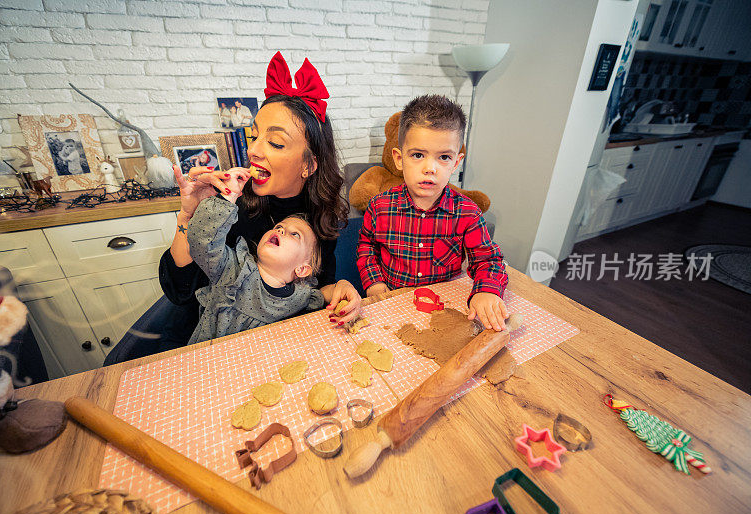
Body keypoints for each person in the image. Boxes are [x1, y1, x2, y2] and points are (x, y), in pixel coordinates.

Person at [159, 51, 361, 348]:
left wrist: (342, 288)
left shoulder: (322, 216)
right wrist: (189, 217)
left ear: (309, 165)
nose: (254, 151)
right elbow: (179, 292)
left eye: (276, 142)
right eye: (255, 136)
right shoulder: (228, 206)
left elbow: (315, 289)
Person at [356, 94, 510, 331]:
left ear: (456, 163)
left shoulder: (467, 213)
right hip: (392, 303)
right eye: (418, 155)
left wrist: (486, 291)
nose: (430, 168)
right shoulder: (380, 206)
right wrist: (374, 284)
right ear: (399, 159)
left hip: (444, 308)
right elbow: (367, 247)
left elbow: (488, 259)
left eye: (444, 157)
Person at [186, 169, 324, 344]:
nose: (281, 230)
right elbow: (202, 240)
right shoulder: (233, 269)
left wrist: (341, 289)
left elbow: (325, 300)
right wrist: (228, 198)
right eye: (279, 227)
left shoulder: (301, 297)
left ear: (302, 269)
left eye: (295, 235)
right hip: (212, 360)